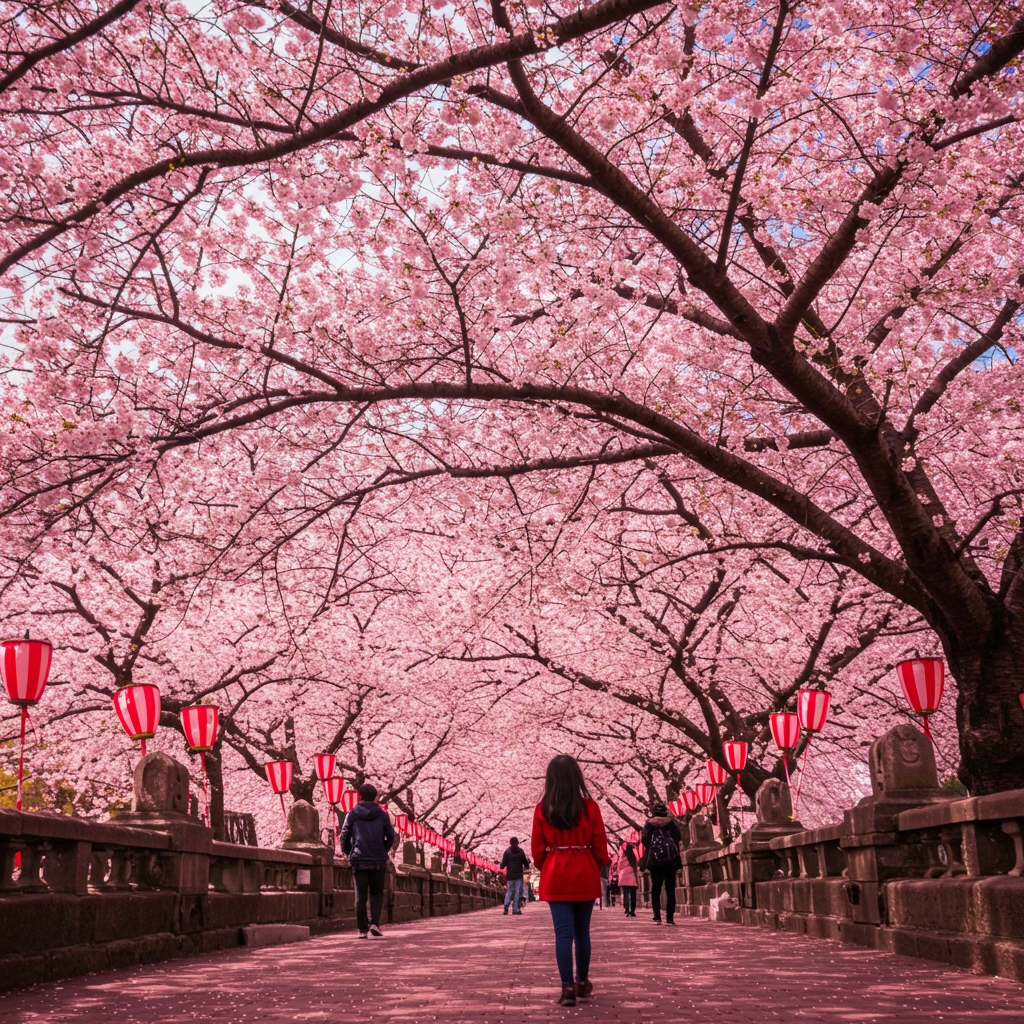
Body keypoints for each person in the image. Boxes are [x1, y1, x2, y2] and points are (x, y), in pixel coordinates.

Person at [531, 754, 610, 1008]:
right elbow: (601, 849)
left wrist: (551, 865)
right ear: (576, 777)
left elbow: (536, 851)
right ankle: (582, 982)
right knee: (582, 932)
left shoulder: (543, 809)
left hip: (556, 873)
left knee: (562, 934)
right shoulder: (591, 807)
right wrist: (590, 866)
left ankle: (566, 988)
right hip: (585, 872)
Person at [339, 783, 397, 939]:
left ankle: (362, 930)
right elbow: (391, 836)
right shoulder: (382, 815)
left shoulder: (352, 814)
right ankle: (374, 924)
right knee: (377, 893)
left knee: (361, 896)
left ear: (360, 796)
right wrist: (382, 849)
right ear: (375, 797)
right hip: (377, 859)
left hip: (359, 859)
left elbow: (344, 834)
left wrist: (348, 851)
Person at [640, 801, 683, 926]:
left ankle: (657, 917)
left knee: (656, 889)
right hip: (671, 861)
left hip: (655, 861)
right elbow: (678, 837)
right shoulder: (671, 822)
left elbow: (644, 840)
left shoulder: (649, 823)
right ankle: (670, 918)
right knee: (670, 889)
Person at [500, 836, 531, 915]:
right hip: (518, 875)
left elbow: (503, 864)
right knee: (517, 891)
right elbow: (525, 861)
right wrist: (527, 866)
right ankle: (515, 909)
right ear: (517, 843)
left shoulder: (507, 852)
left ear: (510, 843)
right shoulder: (520, 851)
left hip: (510, 875)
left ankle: (506, 907)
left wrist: (502, 866)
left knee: (509, 891)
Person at [615, 840, 639, 917]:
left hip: (624, 876)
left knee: (626, 893)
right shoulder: (633, 857)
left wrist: (619, 875)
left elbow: (619, 867)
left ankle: (626, 909)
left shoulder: (622, 857)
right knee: (633, 894)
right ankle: (632, 910)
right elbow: (636, 868)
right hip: (632, 877)